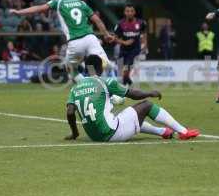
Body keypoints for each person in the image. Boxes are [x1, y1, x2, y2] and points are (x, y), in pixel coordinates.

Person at [65, 55, 200, 142]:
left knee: (130, 117)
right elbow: (132, 94)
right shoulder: (105, 82)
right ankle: (183, 132)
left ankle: (162, 132)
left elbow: (70, 112)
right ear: (100, 68)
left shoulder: (75, 88)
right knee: (146, 105)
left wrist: (75, 133)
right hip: (111, 133)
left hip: (94, 137)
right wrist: (149, 93)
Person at [9, 0, 115, 81]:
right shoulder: (82, 3)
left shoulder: (58, 2)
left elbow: (38, 8)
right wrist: (106, 34)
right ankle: (113, 82)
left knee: (71, 69)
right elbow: (97, 20)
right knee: (105, 64)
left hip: (75, 42)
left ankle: (85, 86)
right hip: (90, 38)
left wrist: (19, 12)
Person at [113, 4, 147, 85]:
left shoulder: (141, 23)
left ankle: (124, 84)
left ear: (134, 12)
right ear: (124, 12)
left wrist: (145, 44)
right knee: (122, 68)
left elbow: (144, 34)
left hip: (135, 49)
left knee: (127, 65)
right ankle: (127, 79)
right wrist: (124, 42)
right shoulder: (120, 24)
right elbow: (115, 38)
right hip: (124, 49)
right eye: (127, 11)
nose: (129, 13)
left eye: (131, 11)